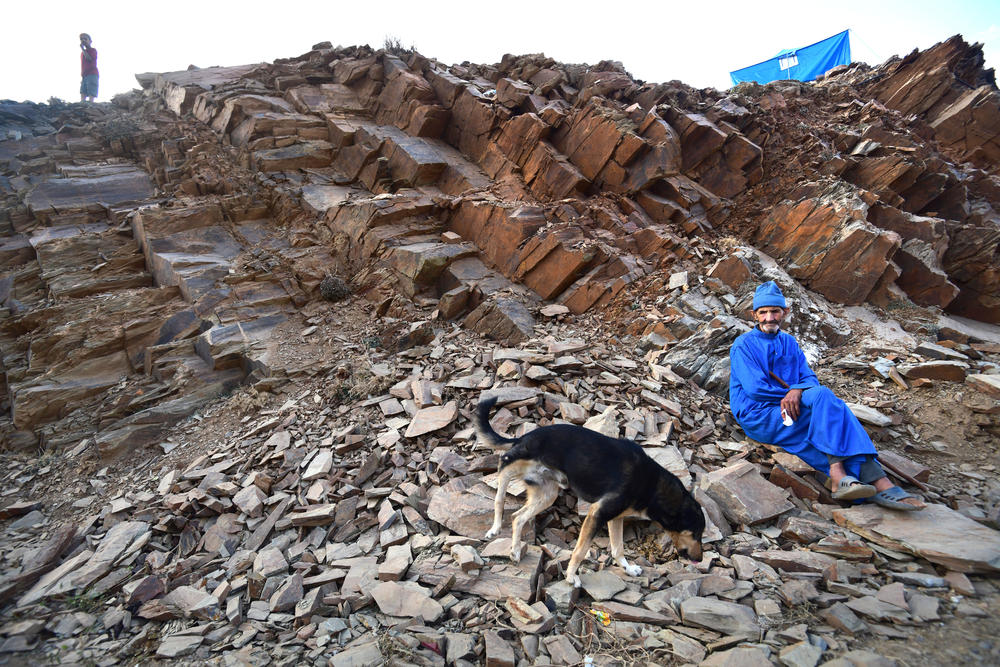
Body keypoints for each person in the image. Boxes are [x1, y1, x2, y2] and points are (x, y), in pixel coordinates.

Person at [729, 281, 925, 510]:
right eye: (763, 312)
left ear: (785, 312)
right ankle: (875, 481)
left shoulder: (789, 342)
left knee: (829, 411)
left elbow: (810, 380)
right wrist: (792, 393)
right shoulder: (744, 345)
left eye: (775, 311)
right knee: (834, 412)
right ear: (754, 315)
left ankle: (850, 481)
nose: (769, 318)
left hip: (789, 407)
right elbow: (755, 390)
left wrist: (796, 390)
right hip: (759, 414)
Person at [79, 33, 99, 102]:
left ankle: (91, 104)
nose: (83, 40)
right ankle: (82, 104)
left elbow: (89, 59)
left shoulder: (93, 50)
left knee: (91, 91)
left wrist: (83, 49)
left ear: (90, 41)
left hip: (92, 73)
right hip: (85, 75)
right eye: (81, 39)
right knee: (83, 91)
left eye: (85, 39)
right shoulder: (82, 53)